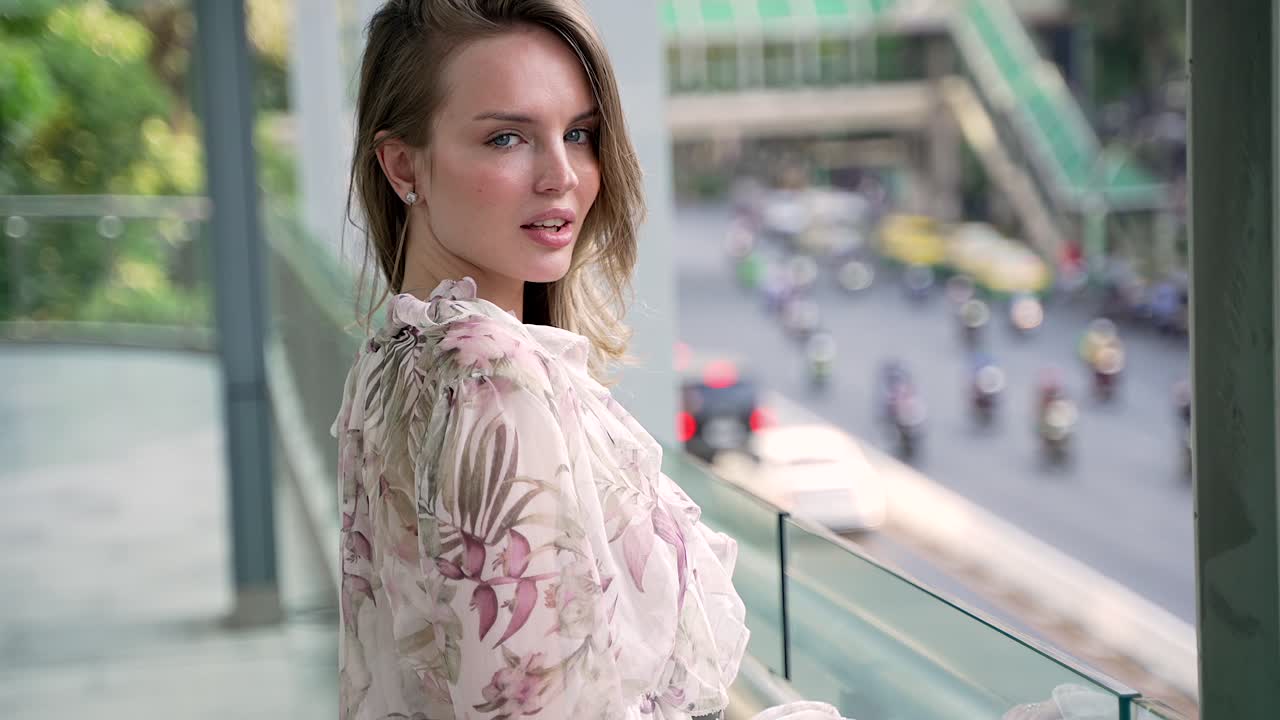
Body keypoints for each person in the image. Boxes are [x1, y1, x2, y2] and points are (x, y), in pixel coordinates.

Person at [333, 3, 846, 719]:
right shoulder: (489, 376)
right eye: (507, 137)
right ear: (402, 164)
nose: (562, 176)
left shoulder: (393, 357)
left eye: (578, 134)